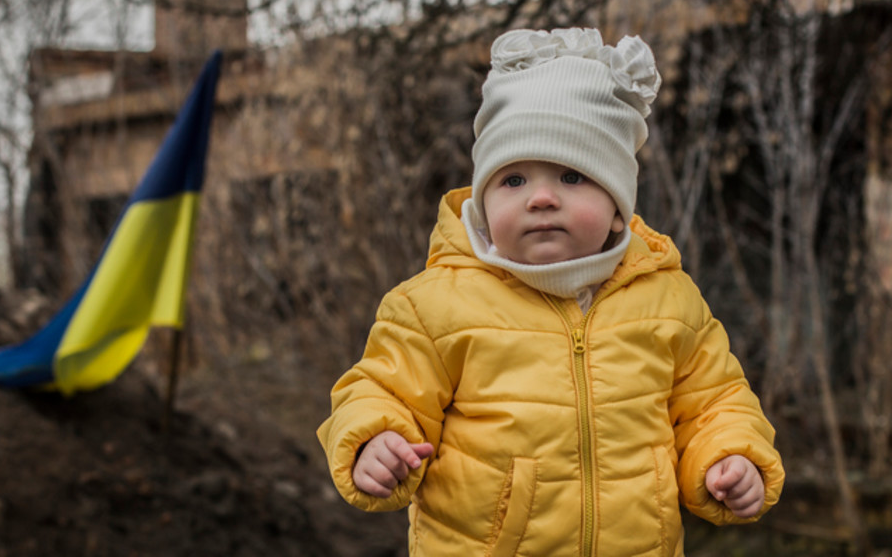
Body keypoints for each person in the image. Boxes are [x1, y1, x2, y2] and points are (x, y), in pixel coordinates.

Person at [317, 27, 785, 556]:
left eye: (570, 176)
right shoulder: (434, 306)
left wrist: (730, 455)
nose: (541, 198)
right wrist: (374, 441)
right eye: (513, 180)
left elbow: (715, 401)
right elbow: (380, 390)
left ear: (617, 208)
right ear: (483, 204)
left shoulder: (669, 300)